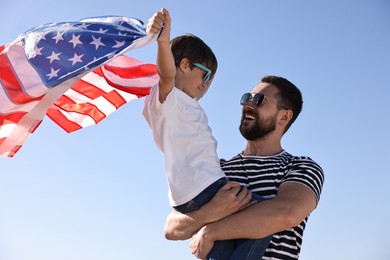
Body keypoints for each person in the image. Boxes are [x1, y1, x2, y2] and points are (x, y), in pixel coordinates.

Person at [143, 8, 272, 260]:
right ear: (184, 65)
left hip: (186, 197)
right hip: (205, 187)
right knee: (264, 212)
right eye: (206, 75)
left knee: (220, 247)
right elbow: (167, 75)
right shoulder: (171, 99)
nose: (206, 85)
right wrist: (162, 41)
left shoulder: (176, 106)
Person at [164, 76, 325, 260]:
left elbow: (287, 212)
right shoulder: (218, 169)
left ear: (284, 116)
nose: (248, 105)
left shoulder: (300, 167)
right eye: (247, 98)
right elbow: (170, 228)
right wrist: (208, 212)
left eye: (259, 100)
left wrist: (210, 232)